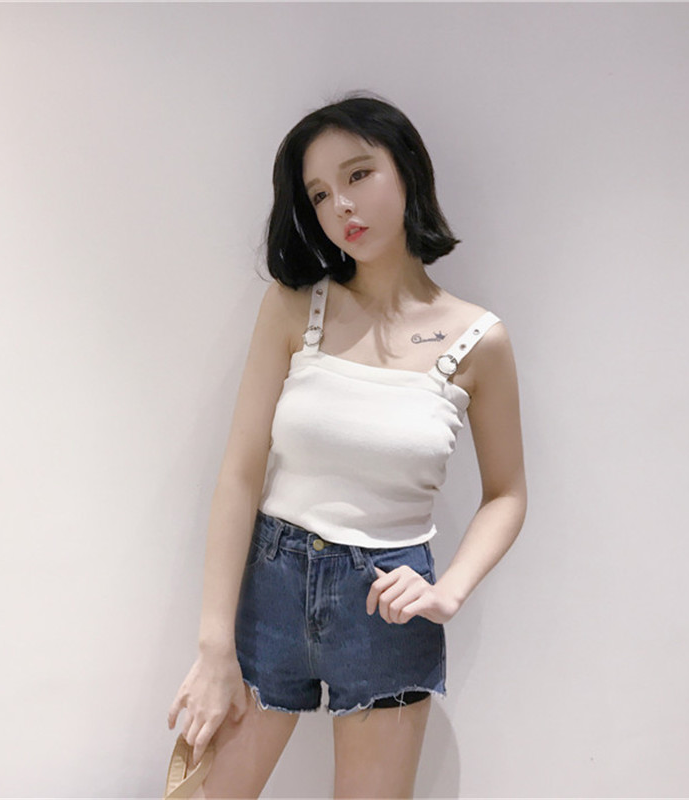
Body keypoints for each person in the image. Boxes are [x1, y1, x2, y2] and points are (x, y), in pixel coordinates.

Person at [166, 93, 527, 799]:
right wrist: (214, 647)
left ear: (408, 171)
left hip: (388, 607)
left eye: (358, 174)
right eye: (320, 194)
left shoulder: (478, 340)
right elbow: (240, 474)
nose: (342, 206)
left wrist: (449, 590)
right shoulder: (294, 307)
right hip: (272, 587)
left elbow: (507, 494)